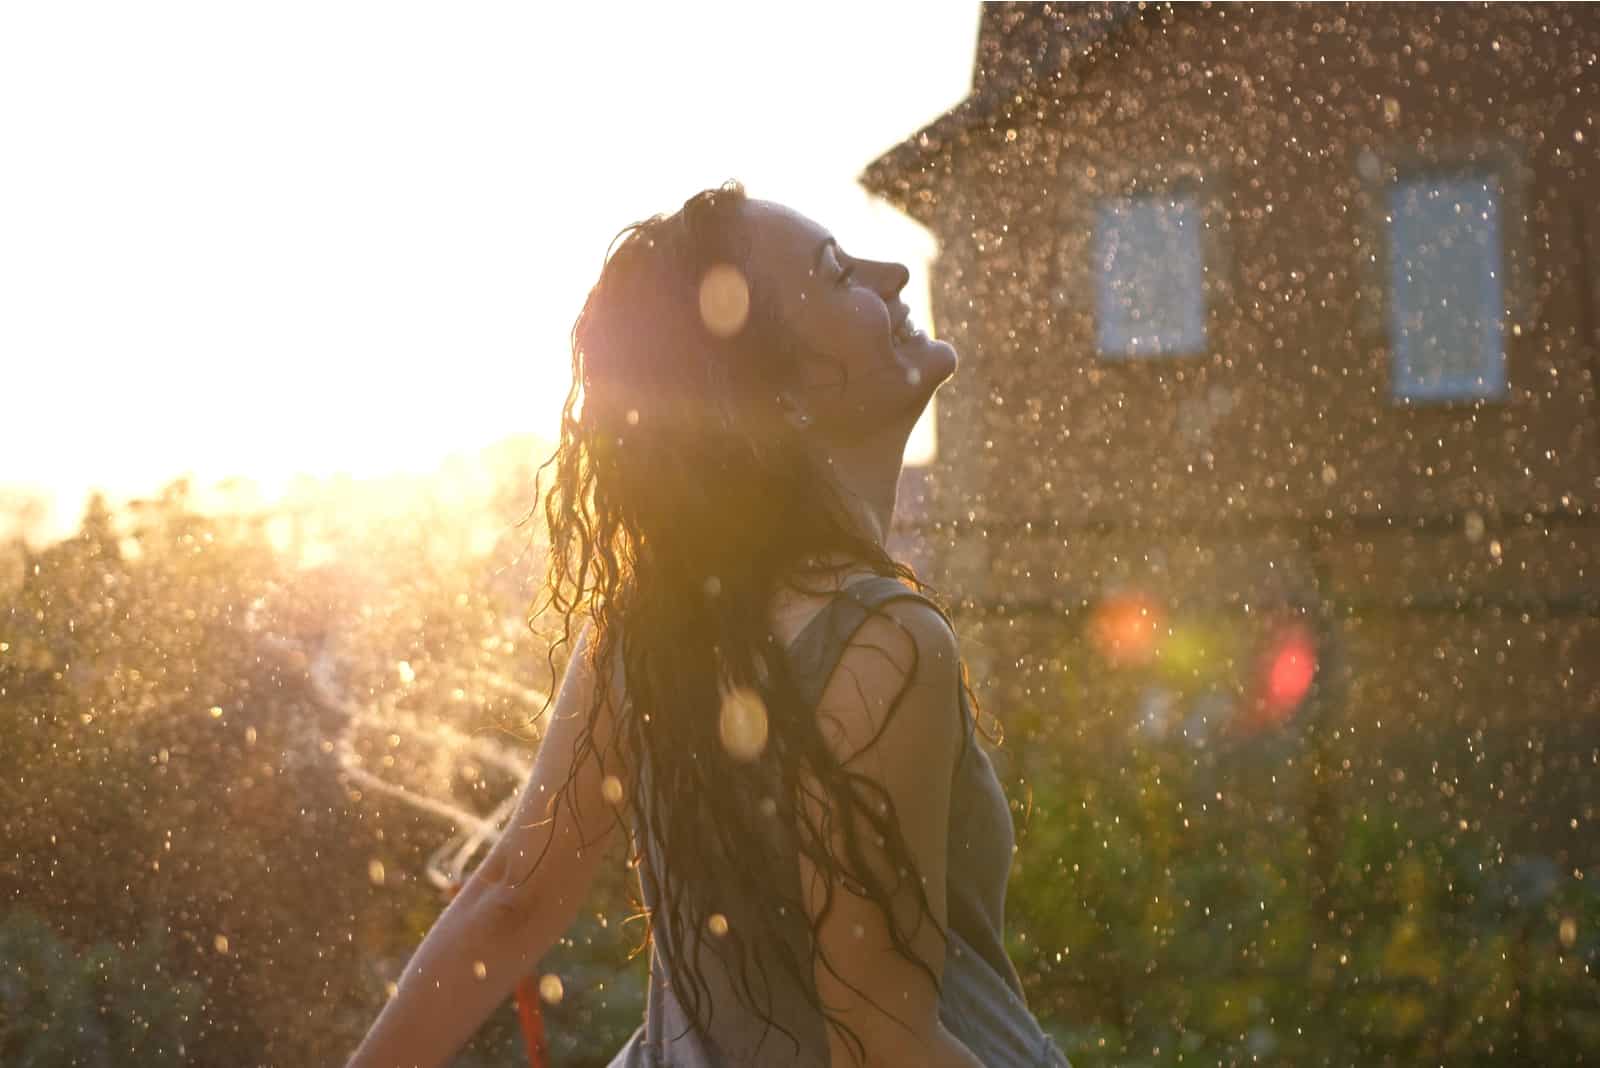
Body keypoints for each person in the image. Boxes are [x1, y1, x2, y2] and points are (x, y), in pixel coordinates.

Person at [345, 182, 1070, 1067]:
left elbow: (509, 900)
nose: (891, 275)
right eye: (840, 274)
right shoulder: (883, 643)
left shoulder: (653, 623)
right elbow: (878, 1043)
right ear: (783, 391)